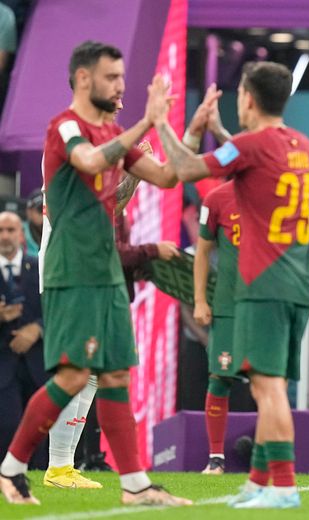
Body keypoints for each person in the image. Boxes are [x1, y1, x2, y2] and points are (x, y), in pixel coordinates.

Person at [0, 40, 190, 506]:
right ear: (84, 78)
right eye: (112, 77)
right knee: (72, 376)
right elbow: (87, 161)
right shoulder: (65, 126)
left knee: (115, 377)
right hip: (73, 268)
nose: (120, 85)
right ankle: (11, 471)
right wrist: (147, 121)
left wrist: (181, 128)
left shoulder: (113, 133)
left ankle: (136, 486)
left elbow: (167, 177)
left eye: (123, 78)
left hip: (105, 272)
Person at [149, 61, 309, 509]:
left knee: (267, 387)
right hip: (298, 281)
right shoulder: (301, 145)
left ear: (248, 97)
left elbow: (183, 170)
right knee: (268, 382)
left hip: (265, 281)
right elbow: (252, 160)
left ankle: (283, 486)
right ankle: (260, 482)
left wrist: (161, 121)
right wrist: (221, 131)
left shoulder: (251, 145)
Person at [193, 179, 241, 475]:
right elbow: (202, 251)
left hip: (265, 304)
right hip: (229, 305)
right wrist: (200, 300)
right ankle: (216, 458)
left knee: (270, 382)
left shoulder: (276, 192)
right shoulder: (217, 198)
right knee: (219, 379)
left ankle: (270, 458)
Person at [0, 212, 46, 469]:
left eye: (10, 230)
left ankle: (41, 479)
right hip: (3, 367)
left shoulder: (40, 268)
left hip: (38, 364)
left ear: (21, 234)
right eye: (1, 230)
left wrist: (36, 330)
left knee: (40, 427)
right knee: (6, 426)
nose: (5, 236)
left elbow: (58, 309)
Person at [22, 190, 43, 257]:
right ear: (28, 211)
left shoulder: (56, 231)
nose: (43, 214)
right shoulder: (19, 230)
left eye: (45, 209)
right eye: (40, 209)